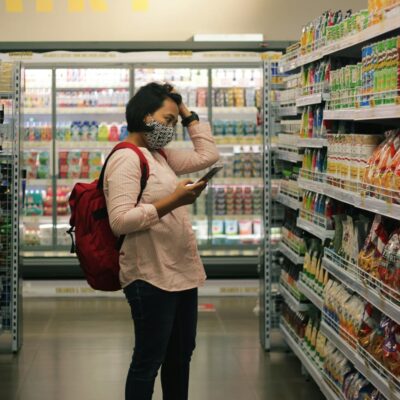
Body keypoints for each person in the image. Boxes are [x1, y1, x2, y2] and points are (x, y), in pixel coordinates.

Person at [103, 82, 220, 400]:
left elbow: (208, 155)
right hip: (149, 276)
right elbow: (120, 222)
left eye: (173, 122)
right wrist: (175, 201)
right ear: (144, 116)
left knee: (180, 358)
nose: (172, 128)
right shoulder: (126, 159)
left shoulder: (160, 155)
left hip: (180, 273)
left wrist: (185, 112)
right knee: (148, 361)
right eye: (167, 120)